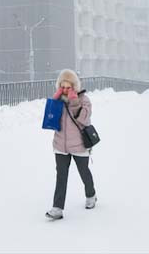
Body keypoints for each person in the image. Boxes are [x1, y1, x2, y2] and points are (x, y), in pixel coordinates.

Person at [45, 69, 96, 220]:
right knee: (61, 176)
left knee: (84, 173)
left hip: (79, 145)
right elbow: (50, 121)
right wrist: (54, 102)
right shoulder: (58, 100)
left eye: (69, 87)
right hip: (60, 145)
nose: (66, 90)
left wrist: (74, 103)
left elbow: (84, 120)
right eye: (63, 86)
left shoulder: (84, 100)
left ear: (74, 86)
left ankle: (91, 195)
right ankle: (57, 208)